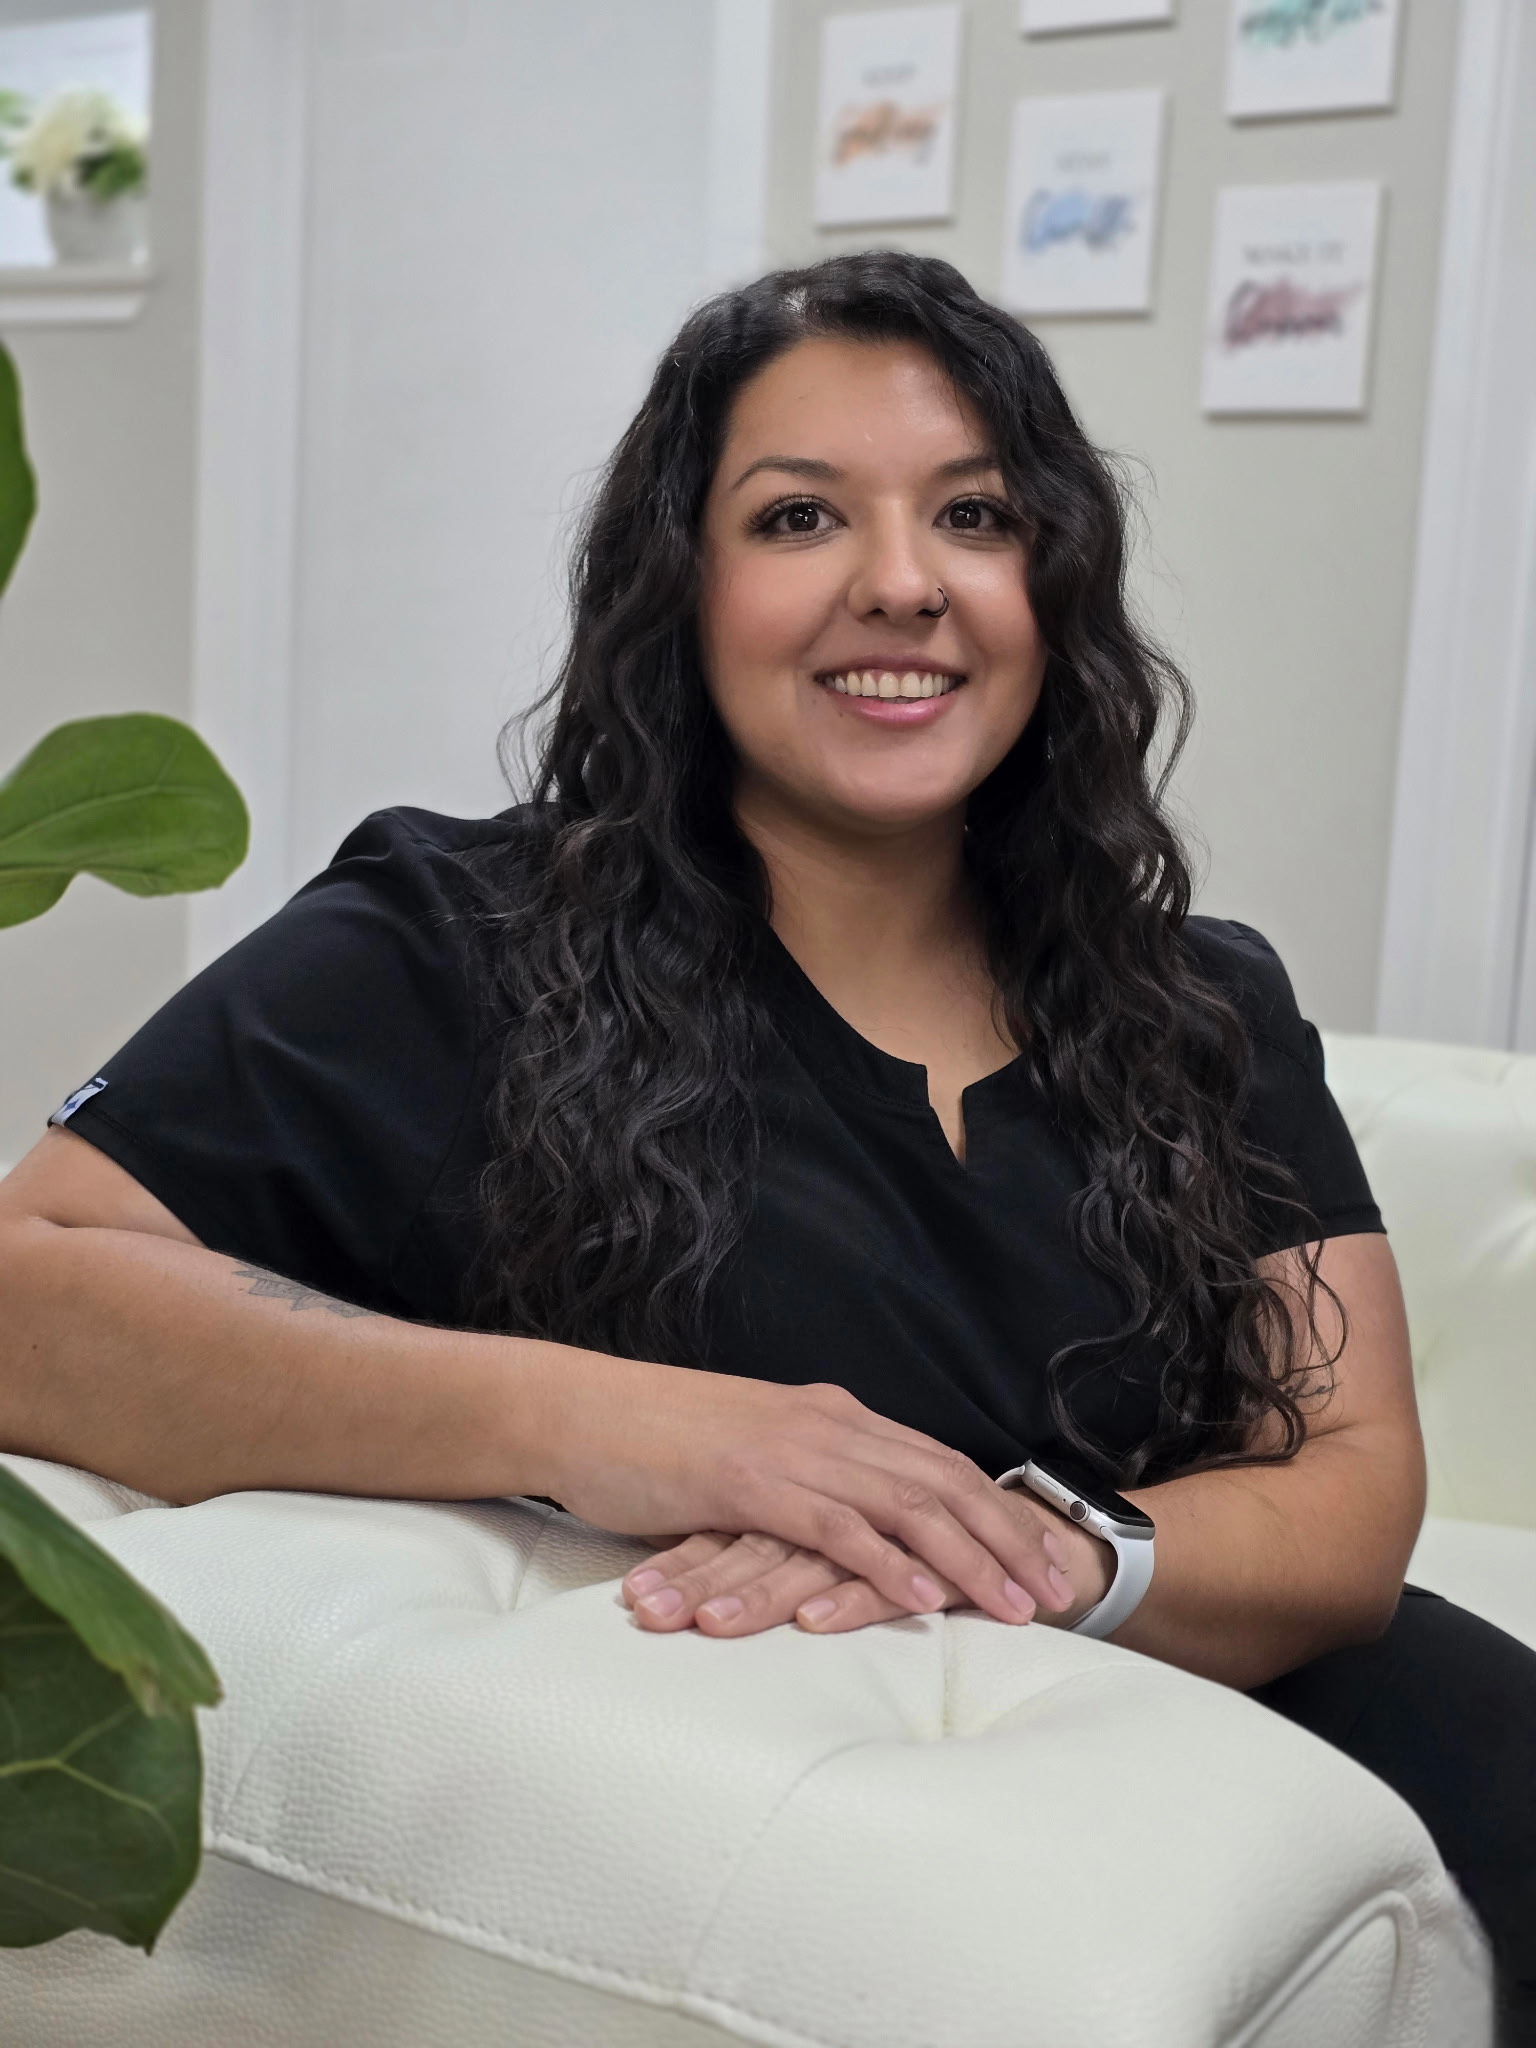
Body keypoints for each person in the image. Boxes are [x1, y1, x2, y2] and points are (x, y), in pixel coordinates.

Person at [0, 251, 1530, 2034]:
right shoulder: (447, 938)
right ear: (682, 586)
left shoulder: (1199, 994)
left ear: (1053, 580)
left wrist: (1039, 1547)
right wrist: (638, 1430)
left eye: (973, 513)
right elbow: (34, 1289)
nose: (903, 585)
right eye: (801, 518)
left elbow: (1348, 1496)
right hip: (848, 1883)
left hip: (1300, 1741)